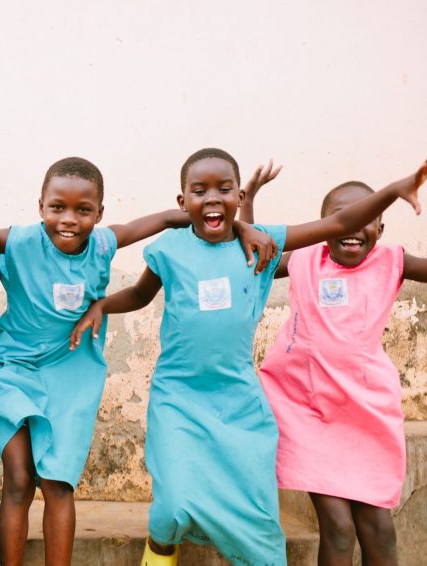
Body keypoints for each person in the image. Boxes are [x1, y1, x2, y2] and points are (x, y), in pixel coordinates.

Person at [0, 156, 272, 566]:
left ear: (99, 213)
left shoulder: (104, 243)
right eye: (57, 208)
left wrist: (243, 225)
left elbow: (175, 218)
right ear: (40, 207)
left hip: (73, 372)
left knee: (58, 484)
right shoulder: (17, 241)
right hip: (14, 371)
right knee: (17, 480)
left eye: (83, 210)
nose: (68, 219)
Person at [70, 148, 427, 565]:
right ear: (182, 201)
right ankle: (161, 547)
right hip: (178, 395)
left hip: (239, 400)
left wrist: (393, 190)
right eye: (199, 190)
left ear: (238, 196)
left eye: (224, 189)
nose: (212, 198)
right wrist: (101, 305)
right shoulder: (170, 250)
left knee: (259, 525)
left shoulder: (258, 248)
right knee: (170, 508)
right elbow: (139, 293)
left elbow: (339, 223)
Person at [243, 178, 427, 566]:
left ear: (380, 228)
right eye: (339, 219)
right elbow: (251, 256)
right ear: (324, 224)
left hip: (365, 413)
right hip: (304, 409)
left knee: (379, 527)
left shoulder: (391, 261)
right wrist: (248, 204)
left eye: (365, 220)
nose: (352, 229)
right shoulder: (304, 259)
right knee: (340, 529)